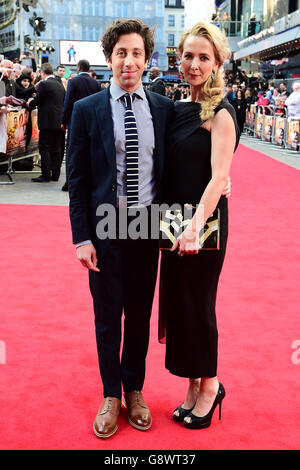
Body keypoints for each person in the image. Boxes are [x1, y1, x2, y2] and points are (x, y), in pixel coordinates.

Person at [68, 19, 174, 439]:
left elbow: (207, 132)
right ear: (109, 57)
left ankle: (135, 390)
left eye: (136, 53)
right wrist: (81, 237)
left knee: (141, 315)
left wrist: (223, 175)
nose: (128, 61)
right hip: (105, 227)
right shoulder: (86, 109)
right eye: (120, 53)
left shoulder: (164, 108)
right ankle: (111, 393)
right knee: (108, 317)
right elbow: (76, 178)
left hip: (147, 227)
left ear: (147, 59)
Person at [159, 21, 239, 430]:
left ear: (218, 62)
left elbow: (218, 178)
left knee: (199, 304)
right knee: (180, 306)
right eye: (188, 56)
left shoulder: (222, 113)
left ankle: (210, 386)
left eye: (203, 57)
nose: (193, 64)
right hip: (171, 222)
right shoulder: (175, 108)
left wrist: (194, 226)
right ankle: (193, 384)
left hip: (202, 226)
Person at [61, 59, 100, 191]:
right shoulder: (96, 83)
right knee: (89, 152)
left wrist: (63, 121)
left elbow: (68, 103)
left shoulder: (72, 82)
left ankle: (69, 182)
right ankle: (88, 181)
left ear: (78, 68)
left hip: (75, 122)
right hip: (91, 123)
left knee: (72, 152)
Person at [28, 62, 65, 182]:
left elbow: (38, 100)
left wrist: (29, 104)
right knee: (57, 149)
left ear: (43, 73)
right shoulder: (60, 85)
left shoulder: (44, 84)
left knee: (45, 148)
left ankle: (45, 175)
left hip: (47, 121)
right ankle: (55, 174)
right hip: (58, 121)